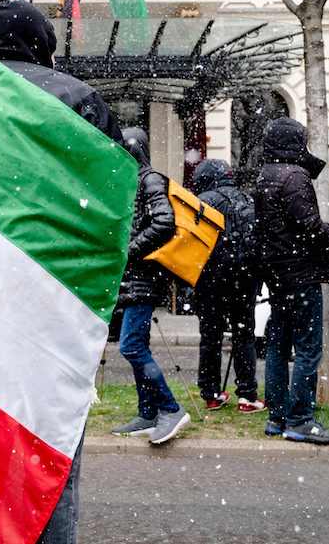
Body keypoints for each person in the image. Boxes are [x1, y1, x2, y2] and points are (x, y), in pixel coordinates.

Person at [0, 0, 125, 544]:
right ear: (42, 43)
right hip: (53, 302)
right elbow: (115, 199)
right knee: (52, 445)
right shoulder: (77, 98)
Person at [255, 117, 329, 445]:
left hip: (278, 275)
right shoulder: (295, 177)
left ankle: (277, 417)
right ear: (294, 142)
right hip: (301, 275)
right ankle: (300, 419)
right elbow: (312, 231)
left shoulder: (264, 176)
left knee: (277, 345)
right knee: (308, 349)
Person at [111, 127, 190, 445]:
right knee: (136, 344)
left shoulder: (149, 179)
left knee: (130, 346)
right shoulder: (134, 182)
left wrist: (129, 251)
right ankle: (147, 413)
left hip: (143, 278)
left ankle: (171, 409)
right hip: (134, 279)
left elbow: (163, 222)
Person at [189, 159, 264, 414]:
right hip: (244, 280)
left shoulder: (203, 201)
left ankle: (211, 393)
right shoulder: (247, 200)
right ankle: (247, 395)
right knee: (244, 336)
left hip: (210, 281)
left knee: (210, 337)